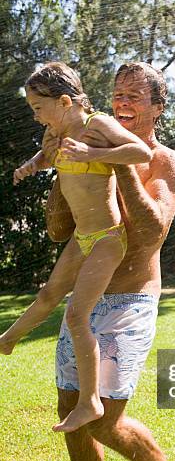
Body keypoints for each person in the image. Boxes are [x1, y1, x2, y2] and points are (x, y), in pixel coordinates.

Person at [20, 62, 175, 461]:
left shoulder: (166, 162)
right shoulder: (84, 141)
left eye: (136, 96)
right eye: (117, 94)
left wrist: (115, 161)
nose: (123, 103)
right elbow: (59, 230)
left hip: (131, 296)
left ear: (158, 107)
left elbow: (151, 233)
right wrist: (58, 166)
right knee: (69, 407)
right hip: (86, 291)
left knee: (105, 419)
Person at [1, 61, 153, 433]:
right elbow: (50, 158)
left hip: (106, 240)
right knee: (48, 294)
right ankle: (6, 341)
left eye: (38, 108)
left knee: (75, 316)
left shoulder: (95, 125)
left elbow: (140, 152)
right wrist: (32, 165)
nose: (36, 117)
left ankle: (90, 402)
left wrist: (93, 156)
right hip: (81, 238)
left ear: (65, 100)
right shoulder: (54, 134)